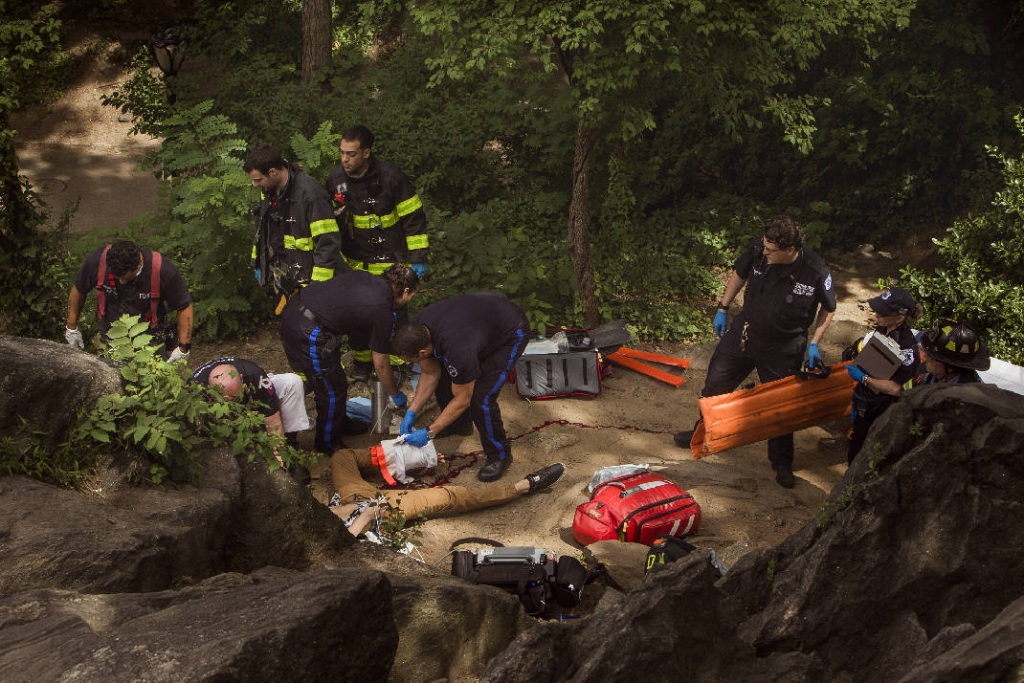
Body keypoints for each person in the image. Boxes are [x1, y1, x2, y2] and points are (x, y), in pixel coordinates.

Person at [674, 216, 837, 488]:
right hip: (745, 334)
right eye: (764, 246)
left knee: (780, 405)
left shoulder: (815, 269)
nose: (764, 252)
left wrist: (814, 343)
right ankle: (703, 432)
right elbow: (739, 273)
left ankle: (781, 462)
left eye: (770, 250)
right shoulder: (759, 250)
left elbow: (829, 308)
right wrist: (723, 307)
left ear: (790, 250)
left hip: (784, 346)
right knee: (715, 385)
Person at [324, 125, 429, 381]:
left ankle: (399, 362)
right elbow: (329, 221)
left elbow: (414, 219)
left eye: (351, 154)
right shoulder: (335, 179)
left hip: (391, 260)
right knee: (357, 315)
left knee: (395, 315)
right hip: (355, 262)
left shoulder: (392, 178)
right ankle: (362, 365)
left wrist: (417, 259)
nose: (345, 159)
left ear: (366, 152)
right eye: (342, 153)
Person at [279, 264, 420, 454]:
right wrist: (395, 393)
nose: (409, 300)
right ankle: (327, 444)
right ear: (405, 290)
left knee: (335, 380)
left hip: (295, 310)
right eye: (411, 296)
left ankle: (339, 423)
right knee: (330, 389)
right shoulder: (382, 310)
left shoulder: (366, 278)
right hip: (308, 329)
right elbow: (381, 364)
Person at [391, 292, 530, 482]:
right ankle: (459, 425)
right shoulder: (416, 330)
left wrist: (431, 431)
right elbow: (430, 373)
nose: (409, 363)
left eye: (410, 360)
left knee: (482, 397)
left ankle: (500, 456)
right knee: (445, 373)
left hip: (510, 331)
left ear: (422, 352)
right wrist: (412, 411)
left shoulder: (457, 349)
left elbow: (463, 399)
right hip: (478, 328)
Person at [329, 447, 565, 538]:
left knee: (341, 456)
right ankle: (522, 486)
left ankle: (408, 457)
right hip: (376, 513)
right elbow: (339, 545)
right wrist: (367, 516)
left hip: (349, 496)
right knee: (448, 497)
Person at [244, 145, 343, 312]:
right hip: (284, 277)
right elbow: (264, 229)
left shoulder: (310, 193)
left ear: (273, 172)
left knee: (315, 334)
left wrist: (317, 287)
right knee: (290, 329)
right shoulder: (269, 190)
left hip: (310, 280)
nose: (255, 185)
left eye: (258, 179)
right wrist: (261, 264)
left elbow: (328, 243)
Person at [65, 240, 194, 362]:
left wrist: (183, 347)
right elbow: (79, 289)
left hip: (150, 339)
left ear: (138, 265)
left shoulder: (162, 270)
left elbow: (183, 306)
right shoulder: (97, 262)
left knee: (153, 381)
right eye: (117, 278)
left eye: (125, 278)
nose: (121, 282)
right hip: (110, 337)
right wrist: (71, 327)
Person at [192, 357, 312, 482]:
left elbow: (272, 420)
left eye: (235, 398)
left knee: (292, 382)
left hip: (252, 404)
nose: (232, 403)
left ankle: (290, 452)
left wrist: (279, 458)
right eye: (228, 400)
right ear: (211, 390)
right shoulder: (195, 388)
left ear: (241, 378)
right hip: (218, 422)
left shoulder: (254, 374)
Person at [844, 288, 921, 465]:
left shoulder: (907, 350)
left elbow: (896, 388)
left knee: (868, 458)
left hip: (884, 409)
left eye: (883, 312)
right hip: (866, 401)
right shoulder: (883, 328)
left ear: (900, 318)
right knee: (855, 450)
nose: (877, 314)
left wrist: (864, 378)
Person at [909, 319, 990, 386]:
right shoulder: (933, 375)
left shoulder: (963, 397)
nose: (925, 357)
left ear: (950, 368)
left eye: (930, 356)